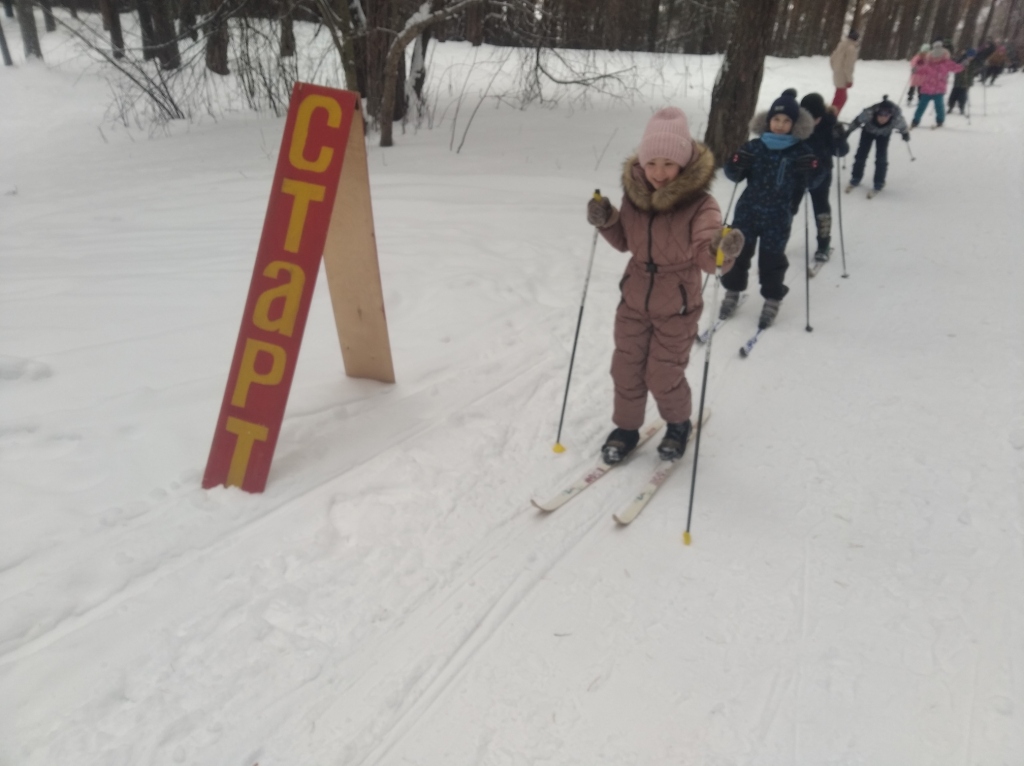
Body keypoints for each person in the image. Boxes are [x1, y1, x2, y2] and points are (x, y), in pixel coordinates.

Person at [586, 108, 744, 464]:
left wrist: (720, 249)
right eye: (652, 163)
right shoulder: (635, 196)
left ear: (684, 164)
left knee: (662, 373)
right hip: (633, 300)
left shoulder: (701, 205)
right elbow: (625, 240)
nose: (659, 173)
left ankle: (677, 424)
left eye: (669, 164)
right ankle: (626, 428)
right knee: (625, 368)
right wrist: (607, 219)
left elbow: (707, 256)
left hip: (677, 306)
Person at [719, 91, 821, 330]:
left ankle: (772, 299)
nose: (780, 125)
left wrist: (813, 169)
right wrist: (736, 162)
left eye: (786, 121)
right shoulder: (755, 147)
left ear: (794, 124)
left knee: (772, 259)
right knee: (736, 253)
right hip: (748, 211)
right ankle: (732, 292)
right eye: (776, 120)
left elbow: (815, 182)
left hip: (778, 216)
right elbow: (733, 175)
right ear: (768, 121)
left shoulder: (801, 151)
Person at [790, 93, 849, 261]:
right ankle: (780, 238)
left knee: (821, 209)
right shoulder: (795, 123)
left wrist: (839, 139)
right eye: (809, 118)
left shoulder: (830, 124)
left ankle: (823, 244)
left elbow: (842, 151)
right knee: (788, 207)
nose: (813, 122)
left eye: (816, 118)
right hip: (797, 173)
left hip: (822, 174)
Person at [845, 97, 910, 194]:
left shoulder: (896, 118)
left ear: (890, 115)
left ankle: (879, 182)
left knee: (881, 158)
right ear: (876, 113)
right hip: (868, 132)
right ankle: (856, 177)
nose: (883, 119)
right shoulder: (869, 113)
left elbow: (903, 126)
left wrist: (905, 134)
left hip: (884, 135)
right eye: (880, 115)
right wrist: (848, 131)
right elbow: (857, 121)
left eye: (886, 116)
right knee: (861, 155)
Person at [911, 42, 963, 128]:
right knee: (922, 106)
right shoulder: (928, 63)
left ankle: (940, 120)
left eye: (938, 56)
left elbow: (955, 67)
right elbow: (922, 69)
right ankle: (915, 120)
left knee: (939, 106)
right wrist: (916, 69)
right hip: (927, 88)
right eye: (935, 56)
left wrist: (962, 66)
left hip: (938, 89)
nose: (936, 58)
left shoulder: (946, 63)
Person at [829, 29, 860, 114]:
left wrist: (835, 69)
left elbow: (832, 59)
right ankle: (832, 115)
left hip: (837, 73)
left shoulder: (841, 45)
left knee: (839, 97)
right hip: (843, 76)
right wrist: (849, 79)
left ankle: (831, 114)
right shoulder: (851, 48)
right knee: (841, 99)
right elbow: (848, 66)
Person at [948, 49, 982, 115]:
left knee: (963, 96)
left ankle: (961, 107)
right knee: (954, 94)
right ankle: (951, 106)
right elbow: (955, 64)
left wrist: (979, 62)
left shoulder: (975, 62)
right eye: (969, 56)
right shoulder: (962, 59)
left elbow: (979, 66)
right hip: (958, 80)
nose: (971, 58)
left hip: (967, 81)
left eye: (972, 56)